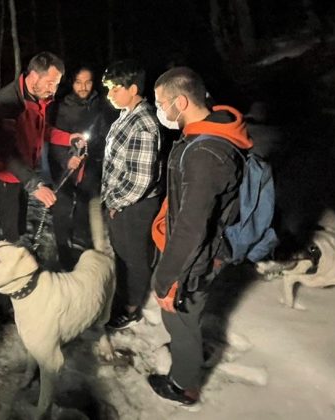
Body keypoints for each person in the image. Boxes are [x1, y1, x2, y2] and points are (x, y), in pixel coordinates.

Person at [149, 67, 253, 407]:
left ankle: (183, 385)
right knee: (188, 317)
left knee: (178, 318)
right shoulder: (202, 135)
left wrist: (166, 278)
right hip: (202, 253)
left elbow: (192, 227)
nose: (160, 111)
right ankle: (191, 355)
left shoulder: (205, 154)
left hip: (193, 259)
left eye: (162, 103)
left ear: (180, 101)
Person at [0, 51, 69, 321]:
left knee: (15, 235)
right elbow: (4, 149)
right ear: (34, 76)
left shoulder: (38, 98)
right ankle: (4, 307)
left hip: (17, 179)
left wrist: (69, 137)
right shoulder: (7, 102)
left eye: (57, 83)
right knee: (3, 243)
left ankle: (17, 290)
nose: (55, 88)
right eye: (52, 82)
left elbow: (42, 131)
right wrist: (33, 183)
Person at [100, 60, 165, 330]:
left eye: (115, 89)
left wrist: (115, 202)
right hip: (122, 203)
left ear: (133, 88)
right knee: (123, 254)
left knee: (134, 257)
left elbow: (139, 180)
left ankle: (130, 308)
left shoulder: (143, 124)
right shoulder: (127, 114)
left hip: (134, 206)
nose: (110, 94)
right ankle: (123, 296)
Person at [47, 66, 117, 270]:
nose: (83, 87)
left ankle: (82, 248)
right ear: (72, 83)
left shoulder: (102, 105)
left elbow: (106, 134)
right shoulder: (62, 107)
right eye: (79, 82)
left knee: (86, 207)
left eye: (87, 82)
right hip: (66, 167)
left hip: (93, 166)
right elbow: (54, 139)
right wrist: (66, 159)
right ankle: (62, 252)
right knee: (62, 206)